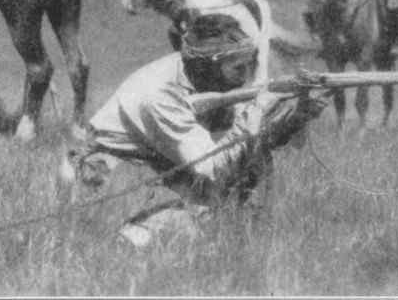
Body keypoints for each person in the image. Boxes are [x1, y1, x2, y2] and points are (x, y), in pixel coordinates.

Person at [58, 13, 326, 247]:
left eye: (248, 63)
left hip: (162, 167)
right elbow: (214, 165)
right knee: (202, 227)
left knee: (242, 184)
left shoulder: (205, 79)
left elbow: (240, 144)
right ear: (208, 66)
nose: (246, 76)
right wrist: (256, 110)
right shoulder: (159, 95)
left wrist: (295, 118)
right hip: (113, 180)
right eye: (237, 67)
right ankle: (131, 233)